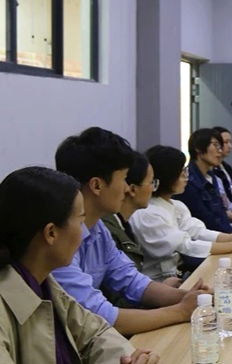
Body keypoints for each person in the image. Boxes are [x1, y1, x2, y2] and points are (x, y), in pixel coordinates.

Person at [0, 167, 168, 364]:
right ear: (51, 233)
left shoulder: (44, 283)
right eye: (80, 221)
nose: (83, 232)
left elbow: (95, 335)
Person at [52, 127, 210, 336]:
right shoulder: (58, 240)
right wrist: (180, 311)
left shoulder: (98, 228)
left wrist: (188, 297)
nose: (127, 189)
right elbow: (97, 316)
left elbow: (131, 280)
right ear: (97, 185)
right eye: (124, 179)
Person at [130, 145, 232, 282]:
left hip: (178, 273)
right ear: (167, 176)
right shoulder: (148, 214)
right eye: (181, 173)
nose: (186, 177)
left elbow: (198, 232)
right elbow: (186, 246)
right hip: (159, 282)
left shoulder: (176, 206)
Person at [101, 152, 182, 288]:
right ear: (133, 189)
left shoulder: (123, 224)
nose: (153, 189)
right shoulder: (109, 230)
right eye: (151, 182)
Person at [174, 129, 232, 233]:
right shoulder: (189, 182)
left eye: (220, 146)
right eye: (215, 145)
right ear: (198, 148)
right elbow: (208, 221)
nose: (220, 151)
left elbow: (221, 213)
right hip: (209, 237)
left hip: (224, 234)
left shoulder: (212, 177)